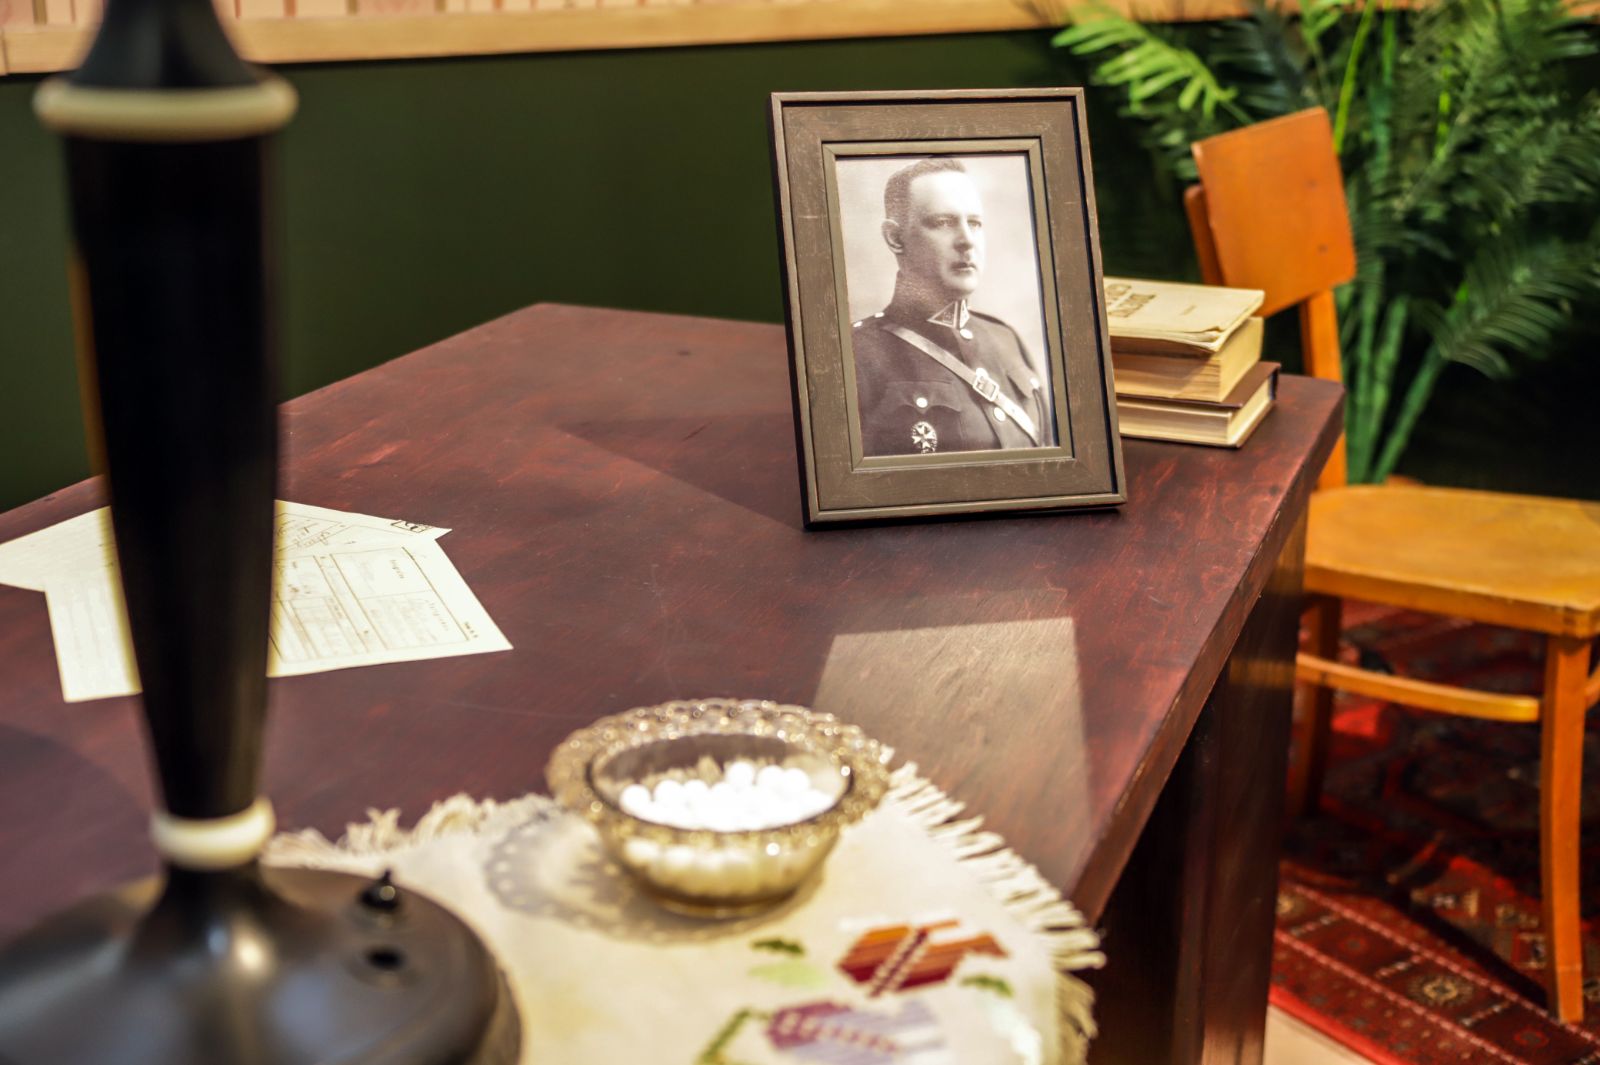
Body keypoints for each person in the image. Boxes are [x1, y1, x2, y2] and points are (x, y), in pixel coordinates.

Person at [850, 157, 1055, 457]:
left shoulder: (1005, 339)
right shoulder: (857, 354)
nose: (967, 241)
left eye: (975, 223)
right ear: (895, 238)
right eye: (943, 223)